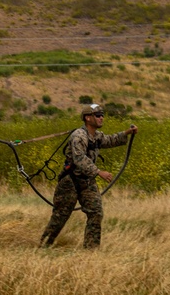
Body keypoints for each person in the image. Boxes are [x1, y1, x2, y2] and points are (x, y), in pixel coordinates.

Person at [39, 103, 137, 249]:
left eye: (102, 115)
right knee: (60, 216)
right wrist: (99, 172)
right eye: (98, 115)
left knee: (96, 213)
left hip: (87, 182)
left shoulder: (96, 136)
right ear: (87, 118)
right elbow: (79, 160)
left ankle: (91, 250)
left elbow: (110, 140)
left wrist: (127, 133)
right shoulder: (78, 136)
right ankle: (44, 246)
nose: (101, 118)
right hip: (70, 181)